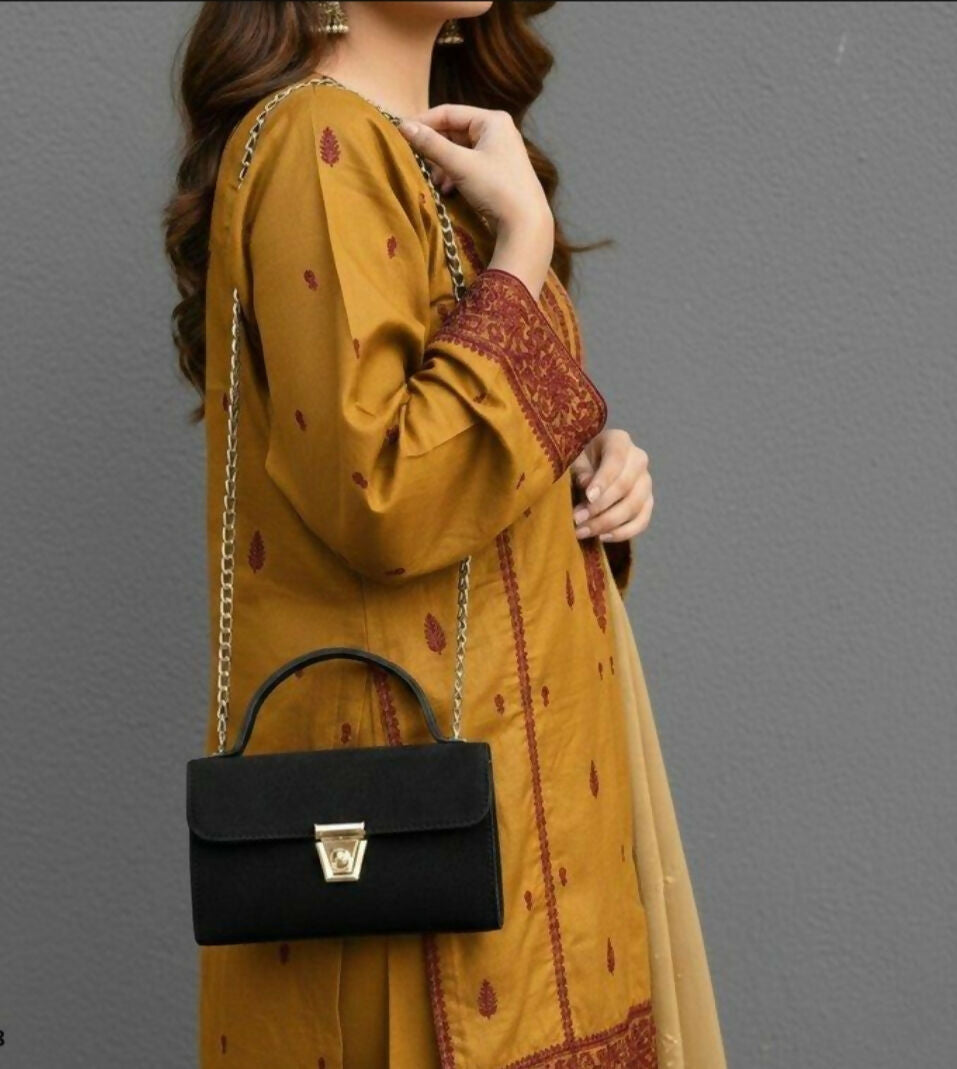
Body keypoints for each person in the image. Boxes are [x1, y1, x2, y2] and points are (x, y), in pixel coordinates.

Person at [164, 2, 726, 1066]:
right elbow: (384, 494)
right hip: (422, 864)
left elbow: (460, 447)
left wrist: (587, 466)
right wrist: (524, 248)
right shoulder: (316, 141)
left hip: (540, 823)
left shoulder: (434, 156)